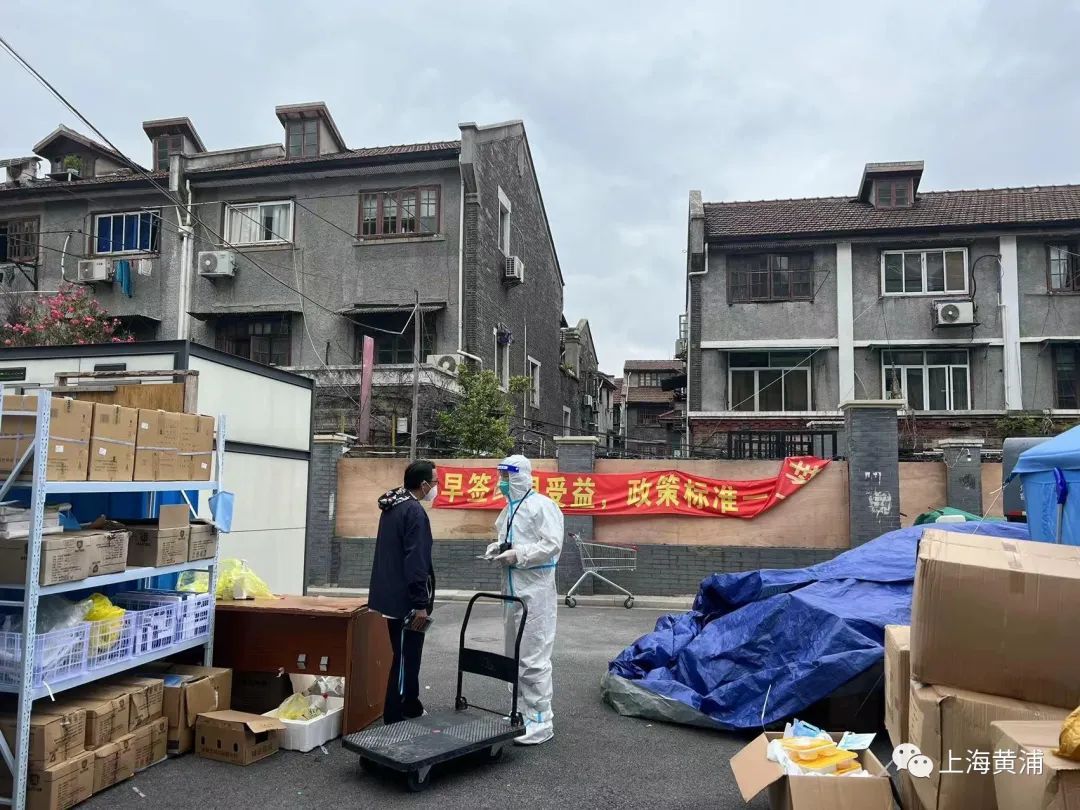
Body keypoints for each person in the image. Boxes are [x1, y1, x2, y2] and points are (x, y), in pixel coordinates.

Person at [486, 454, 564, 745]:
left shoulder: (542, 506)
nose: (502, 482)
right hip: (511, 590)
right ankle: (519, 711)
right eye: (501, 476)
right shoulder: (509, 510)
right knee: (513, 654)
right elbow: (509, 539)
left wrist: (519, 555)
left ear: (520, 476)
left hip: (535, 591)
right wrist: (499, 548)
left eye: (506, 477)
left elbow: (551, 544)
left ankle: (541, 720)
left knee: (533, 657)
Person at [368, 459, 438, 724]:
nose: (436, 486)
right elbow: (416, 561)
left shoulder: (394, 506)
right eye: (435, 481)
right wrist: (420, 603)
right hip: (405, 600)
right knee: (404, 657)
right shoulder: (414, 512)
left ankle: (411, 704)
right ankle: (394, 717)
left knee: (409, 654)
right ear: (423, 484)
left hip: (392, 594)